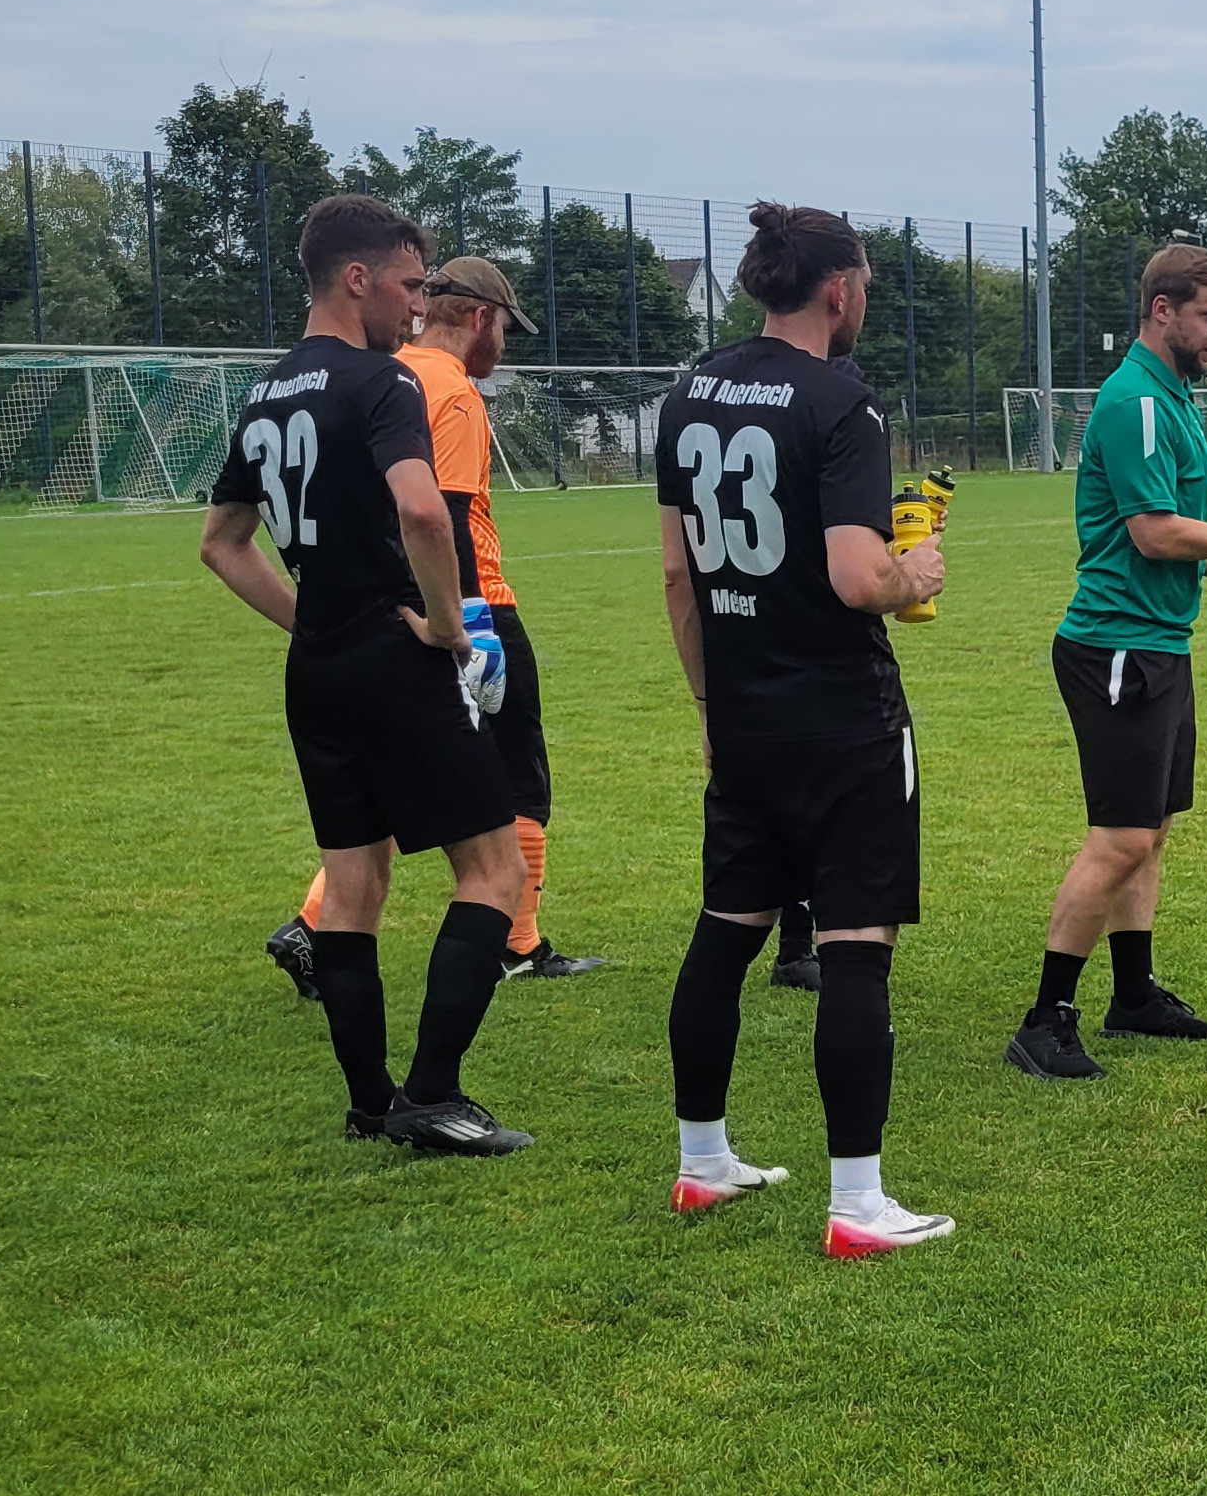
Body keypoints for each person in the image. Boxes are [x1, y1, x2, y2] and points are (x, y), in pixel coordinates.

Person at [200, 195, 533, 1154]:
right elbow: (424, 513)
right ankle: (432, 1095)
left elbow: (222, 543)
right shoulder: (381, 382)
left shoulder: (267, 394)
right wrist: (448, 628)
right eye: (410, 283)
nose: (418, 304)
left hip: (318, 669)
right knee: (493, 870)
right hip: (396, 658)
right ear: (358, 278)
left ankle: (370, 1103)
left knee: (353, 885)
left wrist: (312, 622)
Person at [655, 201, 953, 1256]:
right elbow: (858, 577)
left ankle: (702, 1162)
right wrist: (913, 573)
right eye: (864, 282)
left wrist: (709, 706)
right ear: (837, 289)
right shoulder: (841, 399)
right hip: (842, 716)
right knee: (856, 945)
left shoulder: (691, 391)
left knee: (726, 929)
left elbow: (678, 574)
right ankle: (858, 1202)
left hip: (744, 715)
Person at [1005, 243, 1207, 1083]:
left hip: (1156, 644)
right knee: (1120, 837)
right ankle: (1044, 1022)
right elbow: (1154, 534)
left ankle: (1134, 996)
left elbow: (1175, 537)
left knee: (1150, 832)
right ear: (1162, 310)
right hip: (1116, 647)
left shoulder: (1173, 396)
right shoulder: (1138, 402)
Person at [266, 255, 604, 997]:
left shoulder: (382, 372)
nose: (503, 346)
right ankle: (517, 942)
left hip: (372, 610)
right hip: (465, 606)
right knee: (519, 777)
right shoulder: (449, 389)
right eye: (504, 329)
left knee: (395, 779)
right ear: (480, 318)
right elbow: (438, 512)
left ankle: (314, 925)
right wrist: (467, 625)